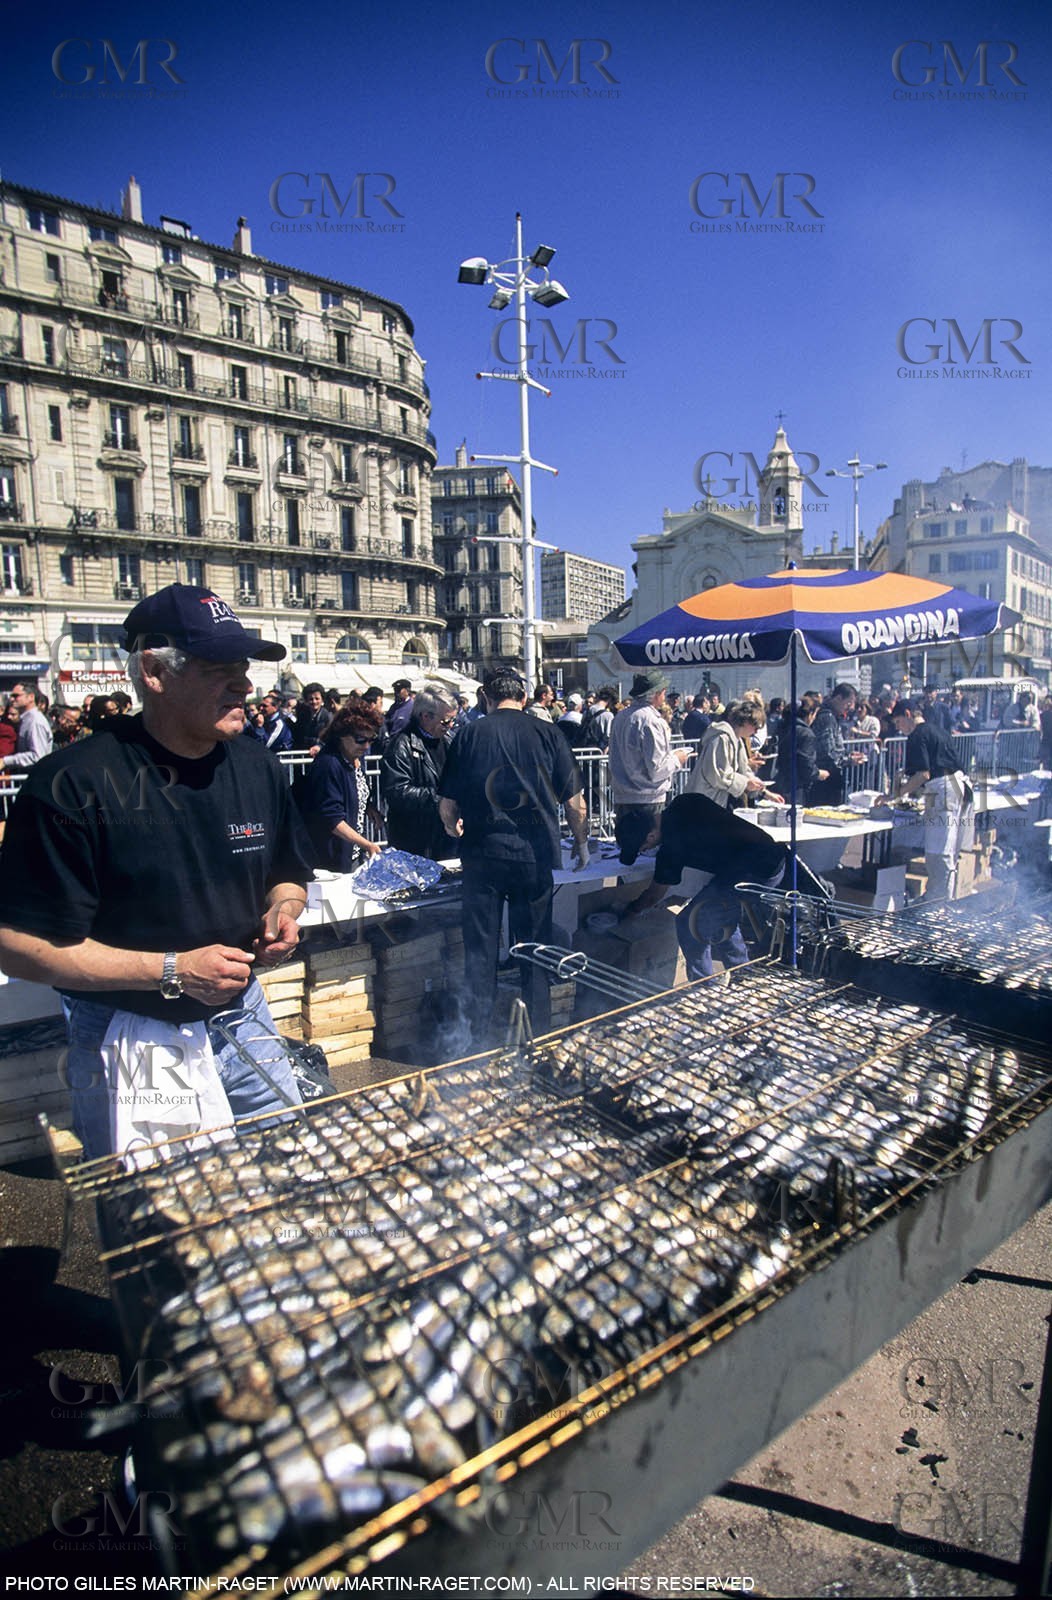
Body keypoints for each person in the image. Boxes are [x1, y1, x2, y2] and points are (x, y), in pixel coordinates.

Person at [0, 583, 312, 1162]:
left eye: (243, 668)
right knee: (155, 1212)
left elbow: (289, 875)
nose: (245, 685)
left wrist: (283, 911)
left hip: (244, 1018)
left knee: (284, 1169)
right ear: (154, 672)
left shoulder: (258, 765)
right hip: (128, 1028)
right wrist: (171, 970)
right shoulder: (73, 784)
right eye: (221, 669)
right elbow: (16, 946)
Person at [438, 669, 589, 1046]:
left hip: (482, 853)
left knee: (481, 949)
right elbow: (575, 803)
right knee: (535, 947)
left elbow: (446, 803)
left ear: (487, 698)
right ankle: (538, 1037)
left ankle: (475, 1039)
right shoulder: (549, 732)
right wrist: (582, 843)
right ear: (523, 698)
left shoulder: (469, 733)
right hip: (533, 855)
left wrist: (451, 827)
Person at [617, 793, 808, 979]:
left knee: (689, 923)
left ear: (651, 836)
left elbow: (653, 895)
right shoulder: (686, 801)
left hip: (755, 871)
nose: (645, 851)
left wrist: (630, 911)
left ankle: (705, 988)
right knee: (718, 915)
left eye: (642, 848)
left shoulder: (671, 847)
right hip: (767, 856)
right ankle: (744, 975)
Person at [881, 696, 974, 901]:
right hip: (960, 786)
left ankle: (937, 903)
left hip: (943, 790)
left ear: (907, 715)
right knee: (949, 851)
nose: (898, 728)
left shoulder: (916, 735)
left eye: (898, 722)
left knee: (938, 852)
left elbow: (924, 774)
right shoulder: (937, 730)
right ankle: (941, 897)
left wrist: (896, 794)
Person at [608, 669, 691, 862]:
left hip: (623, 795)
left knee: (626, 853)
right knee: (647, 856)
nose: (664, 695)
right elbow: (658, 769)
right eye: (663, 691)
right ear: (656, 694)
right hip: (648, 799)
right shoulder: (651, 721)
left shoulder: (621, 716)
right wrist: (678, 758)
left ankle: (624, 889)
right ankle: (643, 891)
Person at [296, 702, 385, 872]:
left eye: (371, 739)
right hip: (329, 859)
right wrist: (367, 844)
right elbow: (331, 818)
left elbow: (356, 791)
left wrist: (368, 807)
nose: (366, 746)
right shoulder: (328, 764)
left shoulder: (356, 757)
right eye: (360, 740)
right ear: (341, 735)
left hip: (351, 852)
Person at [380, 686, 457, 859]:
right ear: (425, 716)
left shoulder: (450, 740)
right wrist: (441, 800)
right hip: (415, 841)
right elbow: (396, 791)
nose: (450, 726)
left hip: (445, 837)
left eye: (453, 720)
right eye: (445, 721)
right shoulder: (400, 745)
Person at [688, 700, 781, 809]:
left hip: (720, 802)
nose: (756, 732)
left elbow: (744, 770)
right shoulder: (721, 739)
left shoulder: (738, 740)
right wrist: (746, 783)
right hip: (707, 801)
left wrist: (763, 791)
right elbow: (718, 775)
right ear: (745, 721)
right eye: (755, 727)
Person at [811, 683, 865, 804]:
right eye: (849, 703)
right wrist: (849, 760)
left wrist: (848, 754)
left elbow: (834, 747)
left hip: (828, 775)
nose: (851, 707)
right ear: (838, 698)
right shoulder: (827, 717)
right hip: (825, 777)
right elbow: (828, 752)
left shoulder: (832, 716)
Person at [773, 692, 830, 804]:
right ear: (810, 714)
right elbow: (805, 763)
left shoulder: (783, 727)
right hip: (797, 786)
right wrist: (818, 773)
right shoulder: (806, 733)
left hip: (781, 781)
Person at [0, 682, 53, 774]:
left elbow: (37, 756)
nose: (12, 699)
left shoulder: (35, 721)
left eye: (16, 696)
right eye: (12, 696)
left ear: (31, 697)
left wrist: (5, 761)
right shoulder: (26, 720)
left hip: (37, 777)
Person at [292, 682, 333, 754]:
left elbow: (331, 737)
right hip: (305, 754)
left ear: (322, 700)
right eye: (311, 699)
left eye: (317, 699)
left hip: (322, 754)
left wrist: (320, 746)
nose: (314, 702)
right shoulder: (302, 716)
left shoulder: (328, 717)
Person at [580, 685, 617, 752]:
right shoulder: (608, 715)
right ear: (610, 700)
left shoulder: (587, 711)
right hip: (599, 751)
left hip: (585, 749)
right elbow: (608, 738)